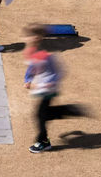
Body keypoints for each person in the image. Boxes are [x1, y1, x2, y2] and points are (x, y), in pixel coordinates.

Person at [23, 23, 88, 153]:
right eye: (28, 36)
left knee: (40, 115)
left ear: (39, 38)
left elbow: (57, 71)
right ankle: (70, 110)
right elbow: (31, 67)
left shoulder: (42, 54)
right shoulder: (32, 51)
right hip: (42, 88)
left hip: (48, 88)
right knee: (44, 114)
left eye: (33, 37)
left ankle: (43, 141)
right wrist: (28, 79)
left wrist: (49, 83)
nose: (29, 39)